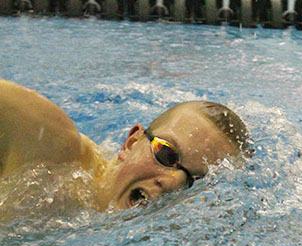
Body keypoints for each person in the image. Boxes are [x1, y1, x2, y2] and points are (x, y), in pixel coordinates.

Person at [0, 79, 249, 211]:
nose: (172, 182)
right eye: (166, 154)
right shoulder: (54, 149)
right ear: (130, 143)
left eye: (194, 181)